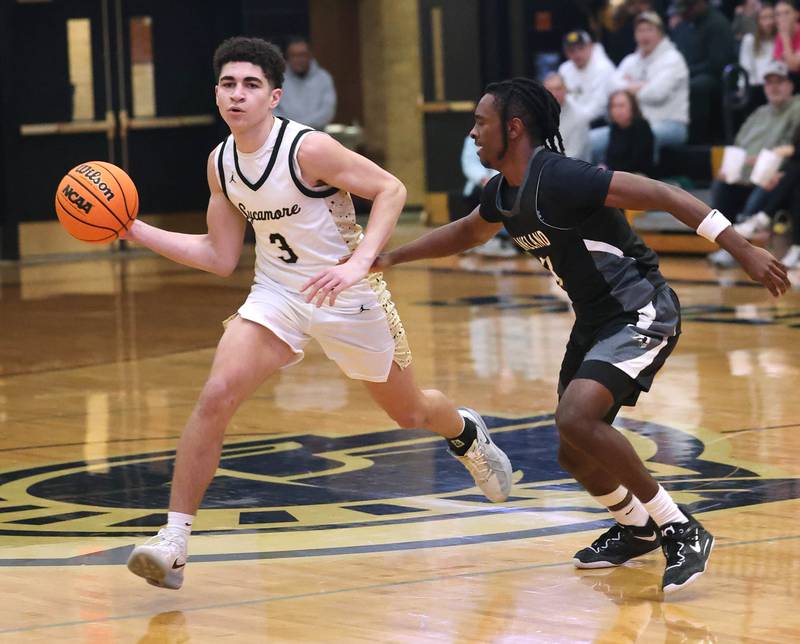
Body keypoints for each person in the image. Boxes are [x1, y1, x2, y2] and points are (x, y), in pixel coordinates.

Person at [369, 77, 789, 594]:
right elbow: (464, 232)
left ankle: (680, 527)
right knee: (572, 447)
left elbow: (663, 194)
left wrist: (743, 249)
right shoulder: (503, 191)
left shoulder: (563, 177)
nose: (472, 133)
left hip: (640, 310)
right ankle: (637, 528)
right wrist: (389, 257)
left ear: (513, 127)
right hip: (593, 320)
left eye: (481, 123)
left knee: (576, 416)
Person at [124, 37, 513, 590]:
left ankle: (465, 432)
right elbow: (219, 256)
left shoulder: (308, 149)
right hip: (276, 295)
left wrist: (358, 263)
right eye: (229, 84)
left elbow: (390, 189)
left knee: (410, 414)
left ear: (274, 97)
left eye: (251, 85)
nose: (238, 95)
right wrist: (135, 230)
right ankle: (173, 543)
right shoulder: (221, 164)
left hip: (346, 296)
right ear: (216, 94)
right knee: (216, 395)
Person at [604, 10, 689, 163]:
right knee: (594, 139)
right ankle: (597, 182)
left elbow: (657, 93)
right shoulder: (630, 60)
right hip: (630, 124)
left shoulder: (673, 59)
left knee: (642, 134)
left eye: (649, 30)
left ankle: (646, 182)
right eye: (640, 30)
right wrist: (641, 85)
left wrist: (628, 86)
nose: (644, 35)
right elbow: (611, 88)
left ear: (661, 33)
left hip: (670, 123)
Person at [670, 0, 738, 143]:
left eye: (688, 8)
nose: (684, 13)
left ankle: (696, 139)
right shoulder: (683, 26)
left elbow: (717, 63)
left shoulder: (717, 24)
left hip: (718, 78)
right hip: (689, 73)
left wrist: (686, 72)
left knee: (695, 87)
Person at [273, 36, 337, 130]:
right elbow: (272, 107)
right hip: (285, 134)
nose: (298, 59)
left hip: (317, 134)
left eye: (302, 55)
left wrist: (303, 127)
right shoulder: (278, 78)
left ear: (310, 55)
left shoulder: (324, 78)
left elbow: (327, 111)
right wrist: (290, 127)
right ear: (287, 57)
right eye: (294, 55)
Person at [558, 30, 616, 125]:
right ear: (566, 53)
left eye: (581, 48)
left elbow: (599, 107)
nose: (577, 54)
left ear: (590, 47)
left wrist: (574, 121)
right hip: (571, 122)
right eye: (571, 50)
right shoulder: (564, 69)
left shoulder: (604, 68)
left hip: (599, 123)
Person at [604, 90, 656, 175]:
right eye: (613, 106)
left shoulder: (642, 126)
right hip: (617, 174)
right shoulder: (615, 126)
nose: (617, 110)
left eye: (621, 106)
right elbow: (610, 156)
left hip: (639, 175)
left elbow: (638, 162)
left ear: (632, 107)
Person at [543, 72, 592, 161]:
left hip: (573, 169)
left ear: (566, 90)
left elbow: (574, 156)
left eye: (558, 89)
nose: (554, 94)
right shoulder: (538, 112)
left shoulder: (580, 116)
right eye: (550, 89)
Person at [739, 2, 777, 111]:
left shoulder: (780, 39)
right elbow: (746, 68)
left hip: (777, 85)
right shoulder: (749, 40)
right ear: (758, 21)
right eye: (764, 18)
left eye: (771, 17)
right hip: (756, 87)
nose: (769, 22)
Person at [774, 0, 800, 80]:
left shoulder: (783, 34)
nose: (782, 17)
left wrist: (785, 37)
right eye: (778, 14)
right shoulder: (779, 35)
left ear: (797, 14)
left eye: (787, 13)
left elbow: (793, 66)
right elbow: (780, 64)